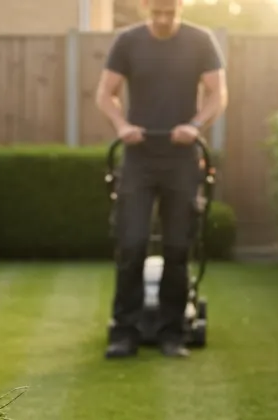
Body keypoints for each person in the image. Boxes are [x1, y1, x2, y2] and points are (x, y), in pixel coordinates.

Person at [94, 0, 227, 359]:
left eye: (171, 12)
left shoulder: (201, 40)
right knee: (132, 243)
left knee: (178, 247)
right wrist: (122, 127)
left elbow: (218, 94)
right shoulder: (128, 42)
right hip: (138, 158)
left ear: (181, 6)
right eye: (157, 13)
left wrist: (195, 125)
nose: (164, 19)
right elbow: (106, 93)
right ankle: (124, 332)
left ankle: (173, 333)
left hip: (182, 157)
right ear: (144, 7)